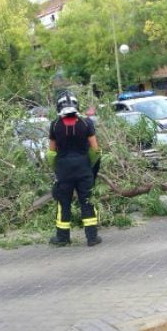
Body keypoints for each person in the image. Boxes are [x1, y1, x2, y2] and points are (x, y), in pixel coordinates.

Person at [47, 92, 102, 247]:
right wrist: (90, 168)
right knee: (87, 201)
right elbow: (95, 150)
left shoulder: (55, 125)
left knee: (63, 202)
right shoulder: (86, 123)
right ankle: (92, 237)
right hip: (83, 169)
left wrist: (56, 169)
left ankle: (62, 237)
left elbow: (51, 153)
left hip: (64, 171)